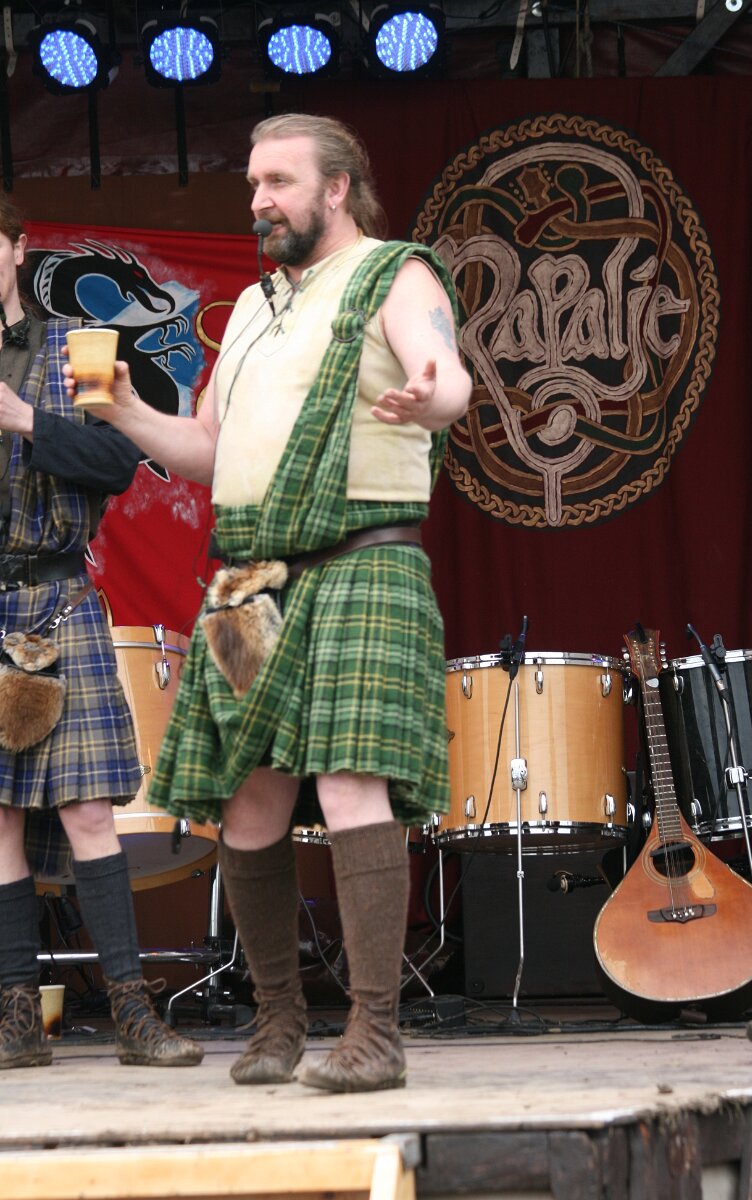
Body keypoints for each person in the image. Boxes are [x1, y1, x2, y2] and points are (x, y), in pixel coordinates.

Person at [63, 113, 472, 1093]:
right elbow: (207, 450)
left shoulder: (393, 274)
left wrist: (432, 395)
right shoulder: (250, 306)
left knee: (352, 780)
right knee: (245, 794)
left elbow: (447, 376)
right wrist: (126, 410)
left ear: (337, 188)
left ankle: (374, 1033)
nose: (259, 201)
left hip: (361, 563)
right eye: (253, 183)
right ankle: (278, 1020)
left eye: (279, 181)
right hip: (250, 584)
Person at [0, 195, 203, 1070]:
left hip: (58, 599)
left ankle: (132, 1012)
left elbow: (118, 463)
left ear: (17, 249)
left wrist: (26, 422)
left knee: (88, 809)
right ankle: (17, 1019)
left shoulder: (76, 348)